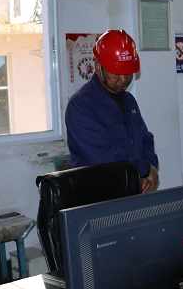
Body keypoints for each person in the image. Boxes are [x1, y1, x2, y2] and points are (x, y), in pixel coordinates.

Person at [65, 29, 159, 193]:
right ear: (97, 67)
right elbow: (104, 154)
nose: (123, 80)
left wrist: (149, 166)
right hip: (99, 194)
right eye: (116, 74)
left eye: (128, 73)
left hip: (132, 188)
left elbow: (145, 139)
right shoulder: (81, 105)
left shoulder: (129, 100)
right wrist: (143, 169)